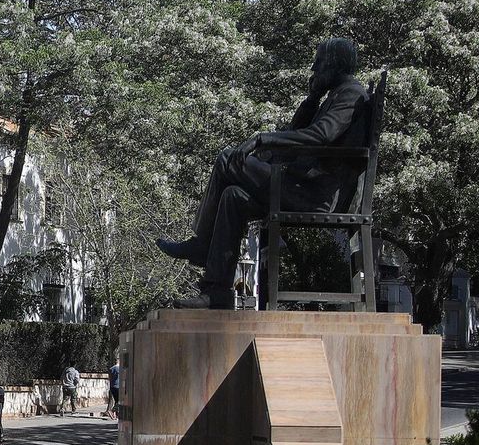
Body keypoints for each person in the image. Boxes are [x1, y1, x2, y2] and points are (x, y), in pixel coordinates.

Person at [157, 38, 371, 309]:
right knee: (233, 196)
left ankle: (201, 244)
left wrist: (262, 140)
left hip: (314, 195)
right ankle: (216, 293)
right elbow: (298, 132)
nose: (313, 67)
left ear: (333, 63)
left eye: (318, 61)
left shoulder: (351, 94)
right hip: (302, 187)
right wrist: (312, 99)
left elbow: (320, 135)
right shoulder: (335, 95)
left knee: (227, 159)